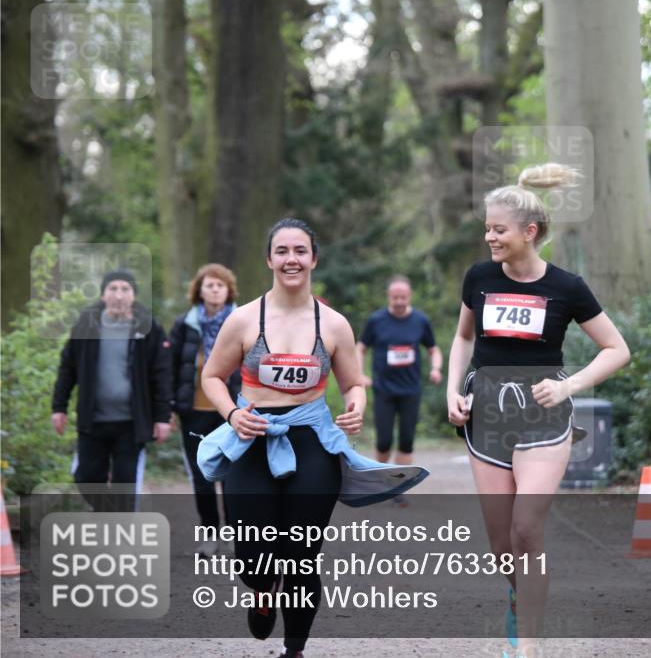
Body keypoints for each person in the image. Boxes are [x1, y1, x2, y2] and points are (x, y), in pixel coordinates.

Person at [198, 218, 425, 658]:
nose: (291, 259)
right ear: (269, 259)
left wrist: (356, 405)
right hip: (253, 439)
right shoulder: (244, 319)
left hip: (312, 444)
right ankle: (263, 591)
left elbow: (354, 382)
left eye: (300, 251)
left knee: (301, 555)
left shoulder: (334, 324)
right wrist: (231, 413)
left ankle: (294, 650)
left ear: (314, 259)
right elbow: (211, 376)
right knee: (251, 555)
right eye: (282, 251)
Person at [446, 164, 631, 658]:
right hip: (486, 415)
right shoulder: (479, 277)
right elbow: (463, 338)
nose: (489, 237)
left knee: (527, 528)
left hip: (544, 418)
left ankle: (528, 643)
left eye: (498, 229)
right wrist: (452, 394)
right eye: (487, 228)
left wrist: (568, 385)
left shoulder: (567, 288)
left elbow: (617, 349)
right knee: (501, 540)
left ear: (529, 232)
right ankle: (517, 594)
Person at [52, 269, 173, 511]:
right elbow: (68, 367)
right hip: (93, 420)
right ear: (103, 294)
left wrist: (162, 418)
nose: (119, 295)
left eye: (125, 289)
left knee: (124, 485)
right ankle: (109, 513)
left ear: (134, 295)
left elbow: (161, 375)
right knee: (86, 478)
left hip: (131, 423)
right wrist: (59, 407)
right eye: (113, 289)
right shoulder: (86, 325)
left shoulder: (149, 328)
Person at [170, 263, 240, 557]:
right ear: (199, 290)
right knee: (202, 477)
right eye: (209, 285)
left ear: (228, 291)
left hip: (234, 413)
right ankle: (210, 535)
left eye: (219, 285)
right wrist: (170, 408)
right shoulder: (184, 326)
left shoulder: (243, 322)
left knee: (234, 477)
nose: (214, 289)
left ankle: (241, 537)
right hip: (194, 411)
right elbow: (170, 368)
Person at [356, 274, 442, 503]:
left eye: (403, 297)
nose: (399, 301)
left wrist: (435, 368)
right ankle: (380, 481)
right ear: (389, 296)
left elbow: (434, 349)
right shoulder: (376, 320)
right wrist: (360, 373)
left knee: (406, 440)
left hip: (410, 390)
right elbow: (361, 347)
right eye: (395, 297)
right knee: (383, 440)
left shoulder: (420, 321)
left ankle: (397, 487)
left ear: (409, 296)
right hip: (383, 389)